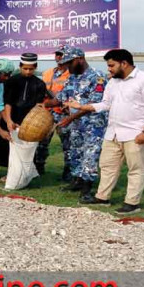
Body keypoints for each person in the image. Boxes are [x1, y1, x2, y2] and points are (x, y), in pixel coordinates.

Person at [66, 49, 144, 213]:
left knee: (136, 169)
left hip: (135, 133)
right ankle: (102, 198)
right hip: (113, 132)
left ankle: (132, 203)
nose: (109, 69)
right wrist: (81, 106)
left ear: (124, 63)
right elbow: (105, 104)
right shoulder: (113, 82)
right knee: (107, 166)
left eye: (111, 65)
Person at [46, 47, 108, 201]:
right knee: (75, 152)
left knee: (90, 155)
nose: (67, 67)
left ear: (79, 59)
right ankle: (77, 181)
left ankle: (87, 189)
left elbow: (95, 103)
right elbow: (60, 98)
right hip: (76, 124)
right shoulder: (72, 78)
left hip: (94, 125)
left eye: (69, 63)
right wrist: (44, 104)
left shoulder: (97, 77)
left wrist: (71, 118)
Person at [0, 53, 49, 169]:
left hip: (29, 121)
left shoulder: (39, 84)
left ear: (36, 67)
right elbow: (7, 102)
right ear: (20, 67)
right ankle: (10, 173)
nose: (28, 71)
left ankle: (25, 172)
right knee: (8, 147)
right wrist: (9, 121)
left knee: (27, 148)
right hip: (11, 117)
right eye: (25, 68)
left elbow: (39, 106)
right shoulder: (11, 81)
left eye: (31, 69)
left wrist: (33, 123)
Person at [41, 45, 72, 181]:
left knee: (68, 144)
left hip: (63, 114)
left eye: (62, 54)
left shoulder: (73, 75)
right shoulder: (47, 73)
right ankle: (38, 168)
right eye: (57, 54)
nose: (59, 57)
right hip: (47, 113)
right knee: (42, 142)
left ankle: (68, 173)